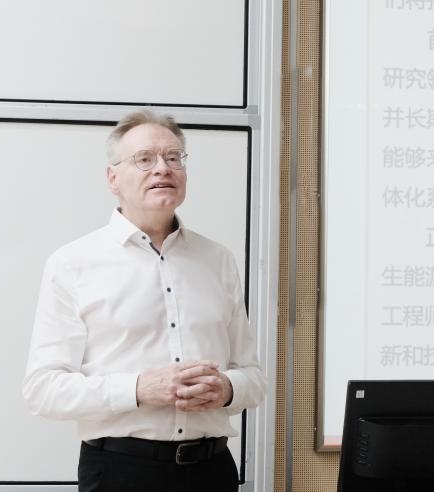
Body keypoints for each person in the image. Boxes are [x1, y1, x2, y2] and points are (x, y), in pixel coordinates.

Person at [23, 110, 264, 492]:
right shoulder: (73, 263)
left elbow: (253, 377)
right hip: (120, 473)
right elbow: (43, 389)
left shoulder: (218, 260)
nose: (162, 168)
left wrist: (226, 388)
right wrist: (138, 389)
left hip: (212, 471)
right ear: (113, 178)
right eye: (145, 159)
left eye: (173, 157)